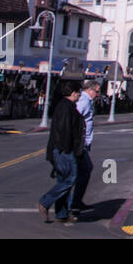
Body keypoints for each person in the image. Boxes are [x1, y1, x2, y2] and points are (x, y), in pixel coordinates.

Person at [38, 83, 85, 224]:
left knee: (63, 180)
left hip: (60, 149)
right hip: (64, 150)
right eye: (79, 92)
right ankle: (45, 202)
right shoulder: (66, 107)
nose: (80, 94)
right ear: (73, 93)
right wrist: (67, 149)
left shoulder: (65, 106)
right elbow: (64, 130)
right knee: (70, 178)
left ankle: (62, 213)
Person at [71, 79, 100, 215]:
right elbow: (76, 118)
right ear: (90, 90)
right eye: (97, 91)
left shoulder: (87, 101)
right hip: (79, 143)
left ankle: (75, 201)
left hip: (83, 143)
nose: (98, 94)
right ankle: (73, 202)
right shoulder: (84, 101)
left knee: (81, 171)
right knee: (84, 170)